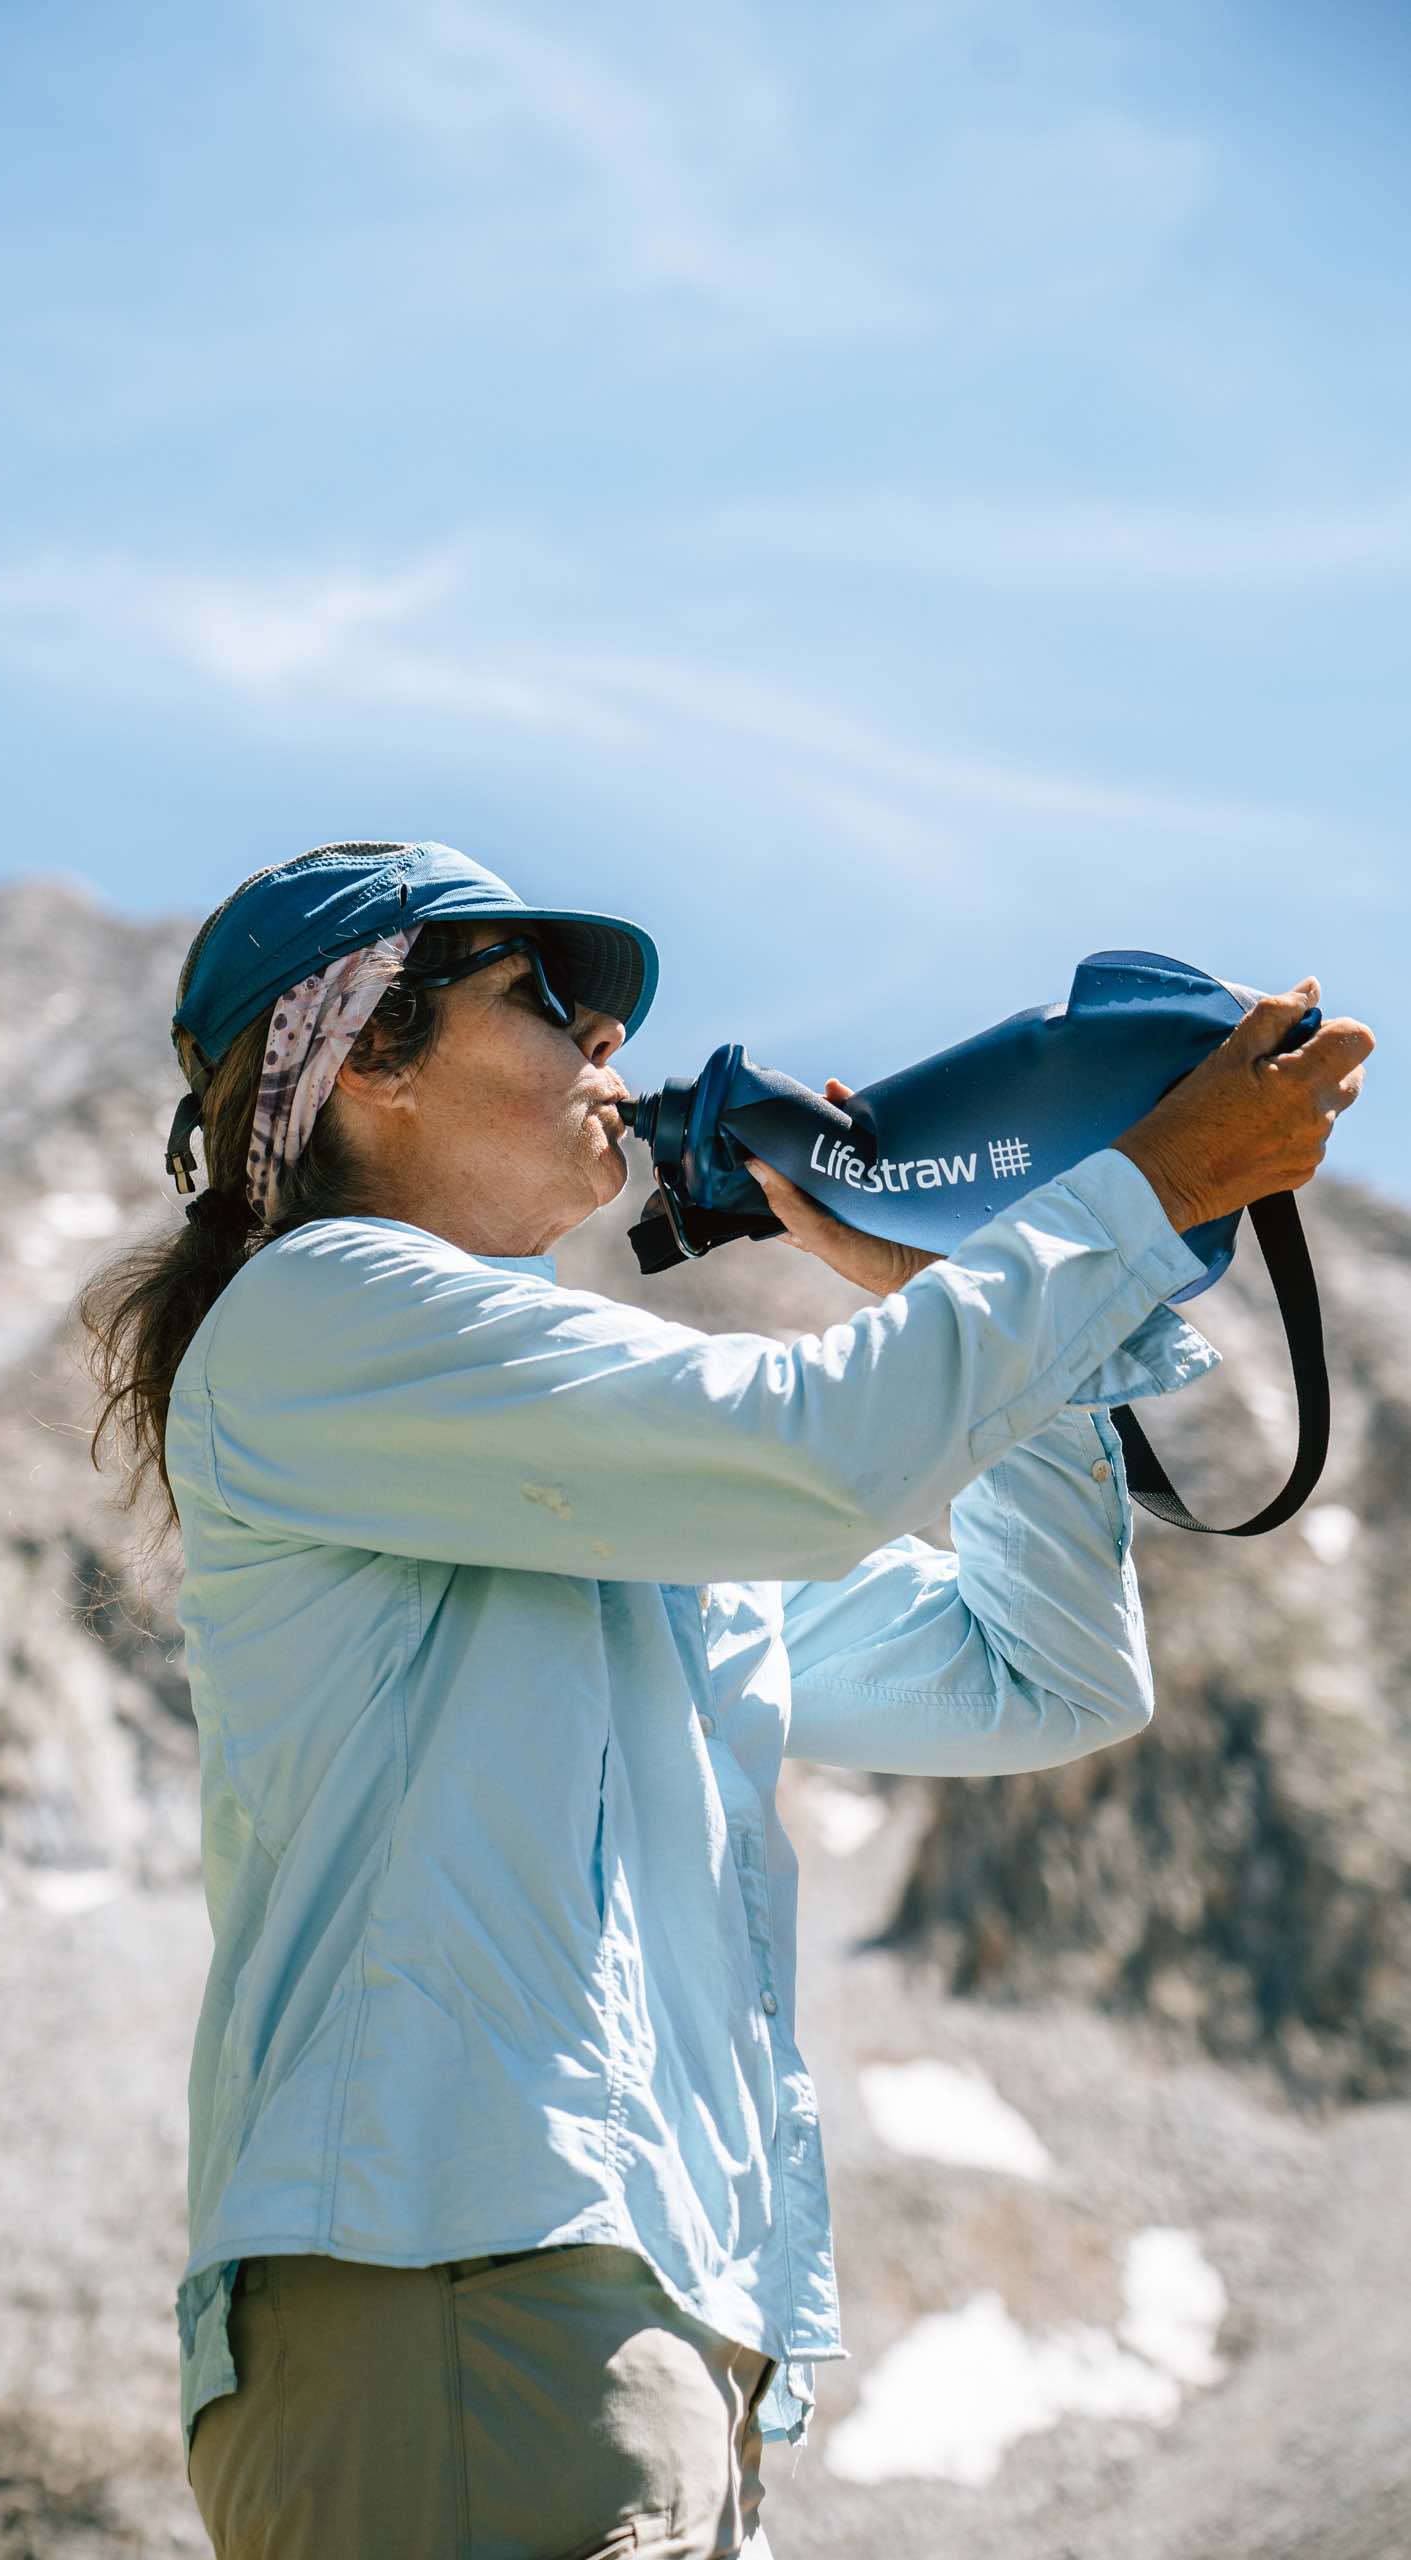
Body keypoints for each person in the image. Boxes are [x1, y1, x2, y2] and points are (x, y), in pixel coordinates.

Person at [78, 840, 1371, 2560]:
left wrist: (952, 1287)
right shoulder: (317, 1315)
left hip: (611, 2326)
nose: (611, 1038)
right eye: (550, 997)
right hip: (462, 2300)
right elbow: (817, 1459)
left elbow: (1039, 1677)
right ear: (364, 1061)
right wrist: (1129, 1197)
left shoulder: (563, 1462)